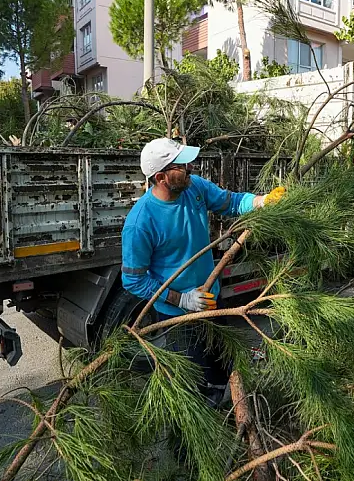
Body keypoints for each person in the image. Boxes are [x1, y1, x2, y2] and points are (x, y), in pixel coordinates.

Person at [121, 138, 284, 401]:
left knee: (221, 360)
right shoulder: (140, 222)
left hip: (210, 300)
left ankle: (228, 407)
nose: (190, 168)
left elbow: (231, 202)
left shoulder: (194, 189)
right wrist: (182, 299)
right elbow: (133, 280)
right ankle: (201, 424)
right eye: (182, 165)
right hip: (179, 317)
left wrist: (262, 201)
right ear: (162, 177)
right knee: (194, 375)